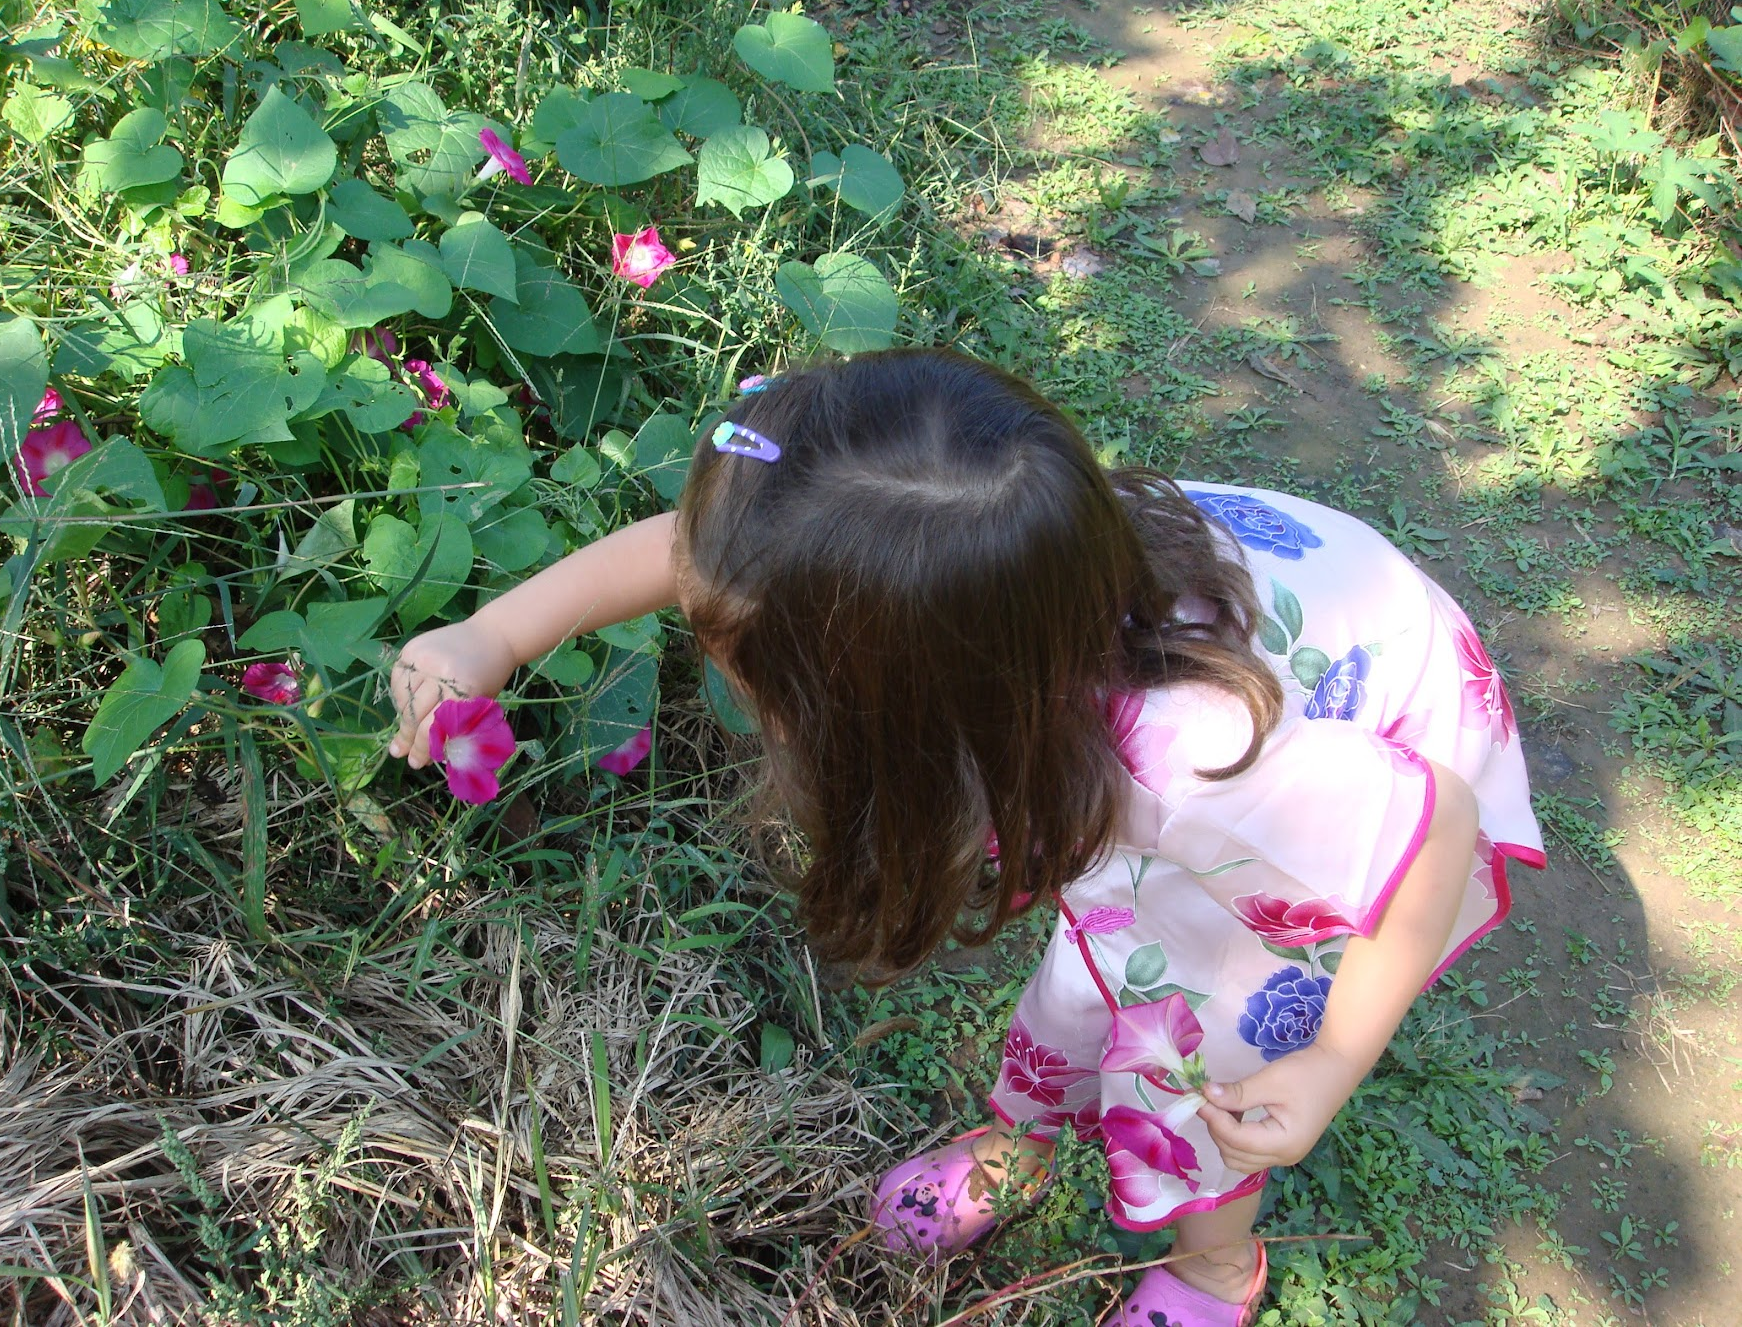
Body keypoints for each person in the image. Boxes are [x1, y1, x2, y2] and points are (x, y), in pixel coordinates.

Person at [389, 348, 1544, 1326]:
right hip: (1229, 688)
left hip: (1332, 802)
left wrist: (1332, 1059)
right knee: (1084, 983)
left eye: (752, 663)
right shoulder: (961, 546)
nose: (723, 661)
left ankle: (1211, 1266)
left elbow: (1432, 829)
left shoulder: (1195, 768)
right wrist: (494, 634)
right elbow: (703, 555)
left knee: (1203, 1068)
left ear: (907, 699)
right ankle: (1018, 1142)